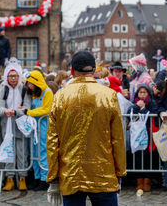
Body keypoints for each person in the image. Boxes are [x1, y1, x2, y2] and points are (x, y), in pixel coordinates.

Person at [47, 51, 126, 206]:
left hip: (71, 173)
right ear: (94, 70)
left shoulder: (60, 97)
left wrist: (53, 178)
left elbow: (52, 141)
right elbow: (117, 138)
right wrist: (120, 172)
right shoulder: (109, 95)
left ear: (72, 71)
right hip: (103, 172)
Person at [0, 59, 31, 191]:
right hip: (7, 125)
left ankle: (22, 178)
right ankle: (9, 178)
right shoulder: (2, 88)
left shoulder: (24, 89)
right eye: (11, 76)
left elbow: (27, 106)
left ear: (19, 75)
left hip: (20, 125)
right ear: (6, 76)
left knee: (22, 152)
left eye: (15, 75)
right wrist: (5, 111)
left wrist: (16, 111)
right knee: (8, 151)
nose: (13, 78)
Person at [25, 70, 54, 191]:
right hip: (34, 126)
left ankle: (44, 179)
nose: (29, 86)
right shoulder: (34, 93)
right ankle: (37, 178)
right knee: (34, 152)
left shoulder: (47, 92)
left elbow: (46, 110)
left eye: (31, 84)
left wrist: (28, 112)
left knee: (42, 152)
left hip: (43, 126)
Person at [127, 83, 158, 193]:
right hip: (136, 134)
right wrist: (136, 107)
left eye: (144, 92)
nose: (142, 95)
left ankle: (147, 181)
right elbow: (129, 113)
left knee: (148, 158)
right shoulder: (134, 103)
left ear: (148, 93)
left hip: (148, 134)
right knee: (137, 158)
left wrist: (144, 109)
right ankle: (139, 182)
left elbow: (154, 115)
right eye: (140, 92)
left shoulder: (152, 103)